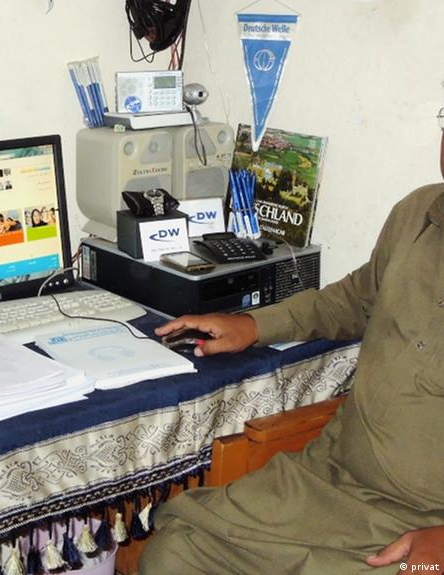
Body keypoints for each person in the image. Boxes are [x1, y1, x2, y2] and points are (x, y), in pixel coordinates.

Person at [139, 130, 444, 574]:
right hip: (330, 479)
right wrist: (254, 325)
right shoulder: (418, 212)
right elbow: (356, 300)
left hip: (425, 527)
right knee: (176, 553)